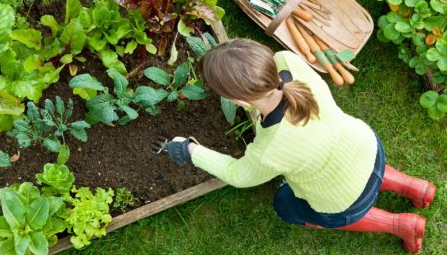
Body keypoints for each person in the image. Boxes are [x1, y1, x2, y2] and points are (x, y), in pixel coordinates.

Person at [163, 39, 436, 253]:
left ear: (239, 102)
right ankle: (415, 187)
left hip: (345, 199)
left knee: (285, 205)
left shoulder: (270, 150)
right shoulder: (288, 62)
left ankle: (400, 225)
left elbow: (238, 175)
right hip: (367, 147)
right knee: (352, 163)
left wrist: (190, 150)